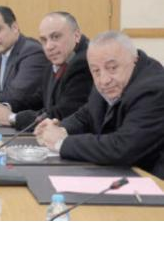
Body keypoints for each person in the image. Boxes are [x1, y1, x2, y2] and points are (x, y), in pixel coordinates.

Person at [35, 31, 164, 178]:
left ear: (134, 60)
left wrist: (62, 143)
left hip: (154, 180)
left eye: (112, 68)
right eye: (95, 71)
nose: (104, 80)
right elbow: (87, 114)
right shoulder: (109, 80)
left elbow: (123, 148)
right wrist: (60, 129)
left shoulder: (154, 89)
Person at [0, 12, 93, 129]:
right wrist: (7, 106)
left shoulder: (84, 63)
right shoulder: (57, 60)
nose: (49, 46)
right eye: (44, 40)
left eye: (56, 37)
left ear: (76, 35)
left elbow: (62, 115)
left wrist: (12, 118)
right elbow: (38, 99)